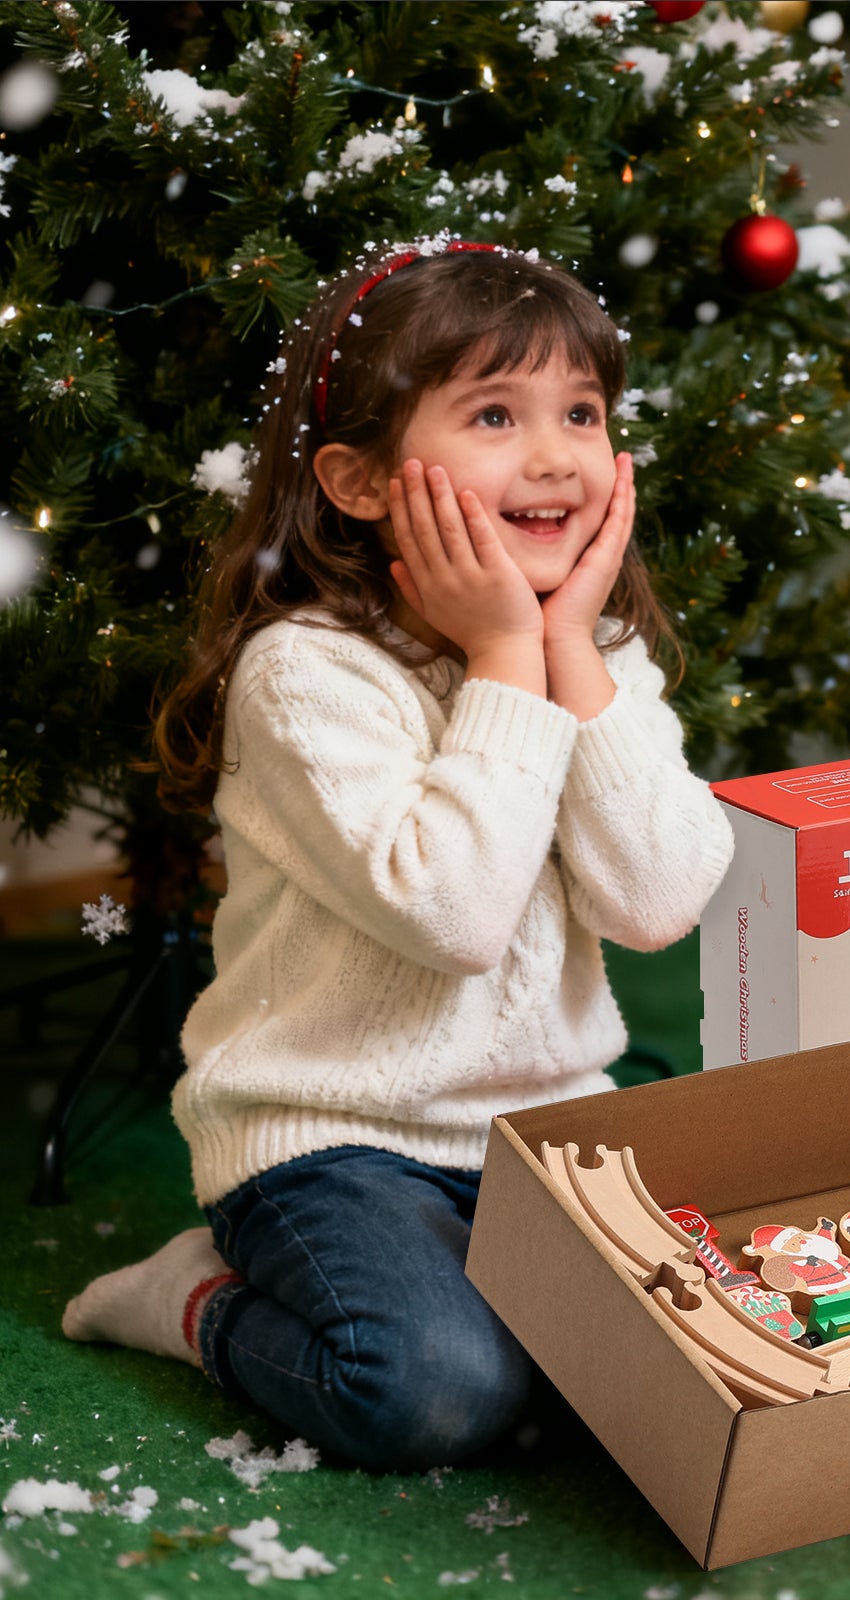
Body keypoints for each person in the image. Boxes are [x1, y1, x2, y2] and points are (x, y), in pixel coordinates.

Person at [62, 242, 735, 1469]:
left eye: (580, 412)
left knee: (696, 1371)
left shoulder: (602, 656)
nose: (554, 455)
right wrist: (501, 664)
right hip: (330, 1136)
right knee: (435, 1391)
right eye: (494, 413)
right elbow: (456, 916)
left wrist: (569, 656)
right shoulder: (309, 675)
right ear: (361, 481)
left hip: (542, 1133)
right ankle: (192, 1298)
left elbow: (656, 902)